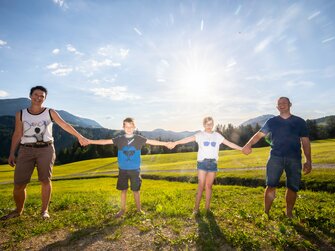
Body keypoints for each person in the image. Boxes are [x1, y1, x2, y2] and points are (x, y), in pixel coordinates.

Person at [0, 86, 88, 220]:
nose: (38, 98)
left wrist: (79, 136)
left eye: (42, 96)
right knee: (19, 184)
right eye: (36, 95)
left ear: (45, 98)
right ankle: (18, 210)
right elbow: (17, 134)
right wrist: (12, 153)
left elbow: (64, 125)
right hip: (25, 149)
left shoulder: (50, 112)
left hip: (46, 149)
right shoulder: (21, 114)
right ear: (30, 95)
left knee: (45, 180)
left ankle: (44, 211)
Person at [242, 97, 312, 218]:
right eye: (279, 103)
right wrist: (248, 145)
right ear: (277, 107)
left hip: (294, 158)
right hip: (275, 158)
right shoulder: (271, 121)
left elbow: (305, 142)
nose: (282, 105)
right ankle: (266, 213)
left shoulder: (300, 122)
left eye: (284, 102)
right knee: (271, 185)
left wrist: (308, 160)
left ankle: (289, 213)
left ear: (290, 104)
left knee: (292, 187)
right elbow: (259, 135)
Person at [87, 117, 170, 218]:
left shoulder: (138, 139)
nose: (129, 128)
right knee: (123, 190)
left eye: (131, 126)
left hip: (135, 170)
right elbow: (105, 142)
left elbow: (152, 142)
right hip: (123, 170)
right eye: (126, 126)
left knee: (136, 190)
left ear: (134, 127)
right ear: (123, 127)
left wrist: (166, 143)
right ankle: (122, 210)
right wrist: (90, 141)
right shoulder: (119, 139)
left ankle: (139, 210)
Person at [169, 117, 243, 214]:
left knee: (209, 186)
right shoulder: (200, 135)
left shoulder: (217, 136)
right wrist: (176, 142)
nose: (209, 126)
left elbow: (229, 144)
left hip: (213, 164)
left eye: (211, 124)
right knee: (201, 186)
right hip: (202, 163)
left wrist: (241, 148)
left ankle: (207, 209)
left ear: (213, 125)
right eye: (207, 124)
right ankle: (196, 209)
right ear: (204, 125)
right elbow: (187, 139)